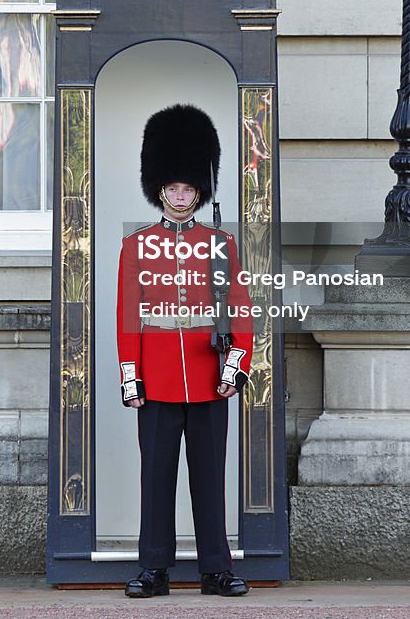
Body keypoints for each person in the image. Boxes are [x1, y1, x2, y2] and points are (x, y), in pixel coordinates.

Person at [116, 104, 254, 598]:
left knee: (208, 479)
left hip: (206, 375)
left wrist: (235, 366)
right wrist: (131, 375)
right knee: (156, 478)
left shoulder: (219, 244)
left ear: (200, 191)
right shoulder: (137, 246)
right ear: (159, 189)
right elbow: (128, 316)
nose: (179, 196)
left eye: (188, 188)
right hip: (156, 378)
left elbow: (239, 309)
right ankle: (154, 568)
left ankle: (215, 568)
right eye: (172, 188)